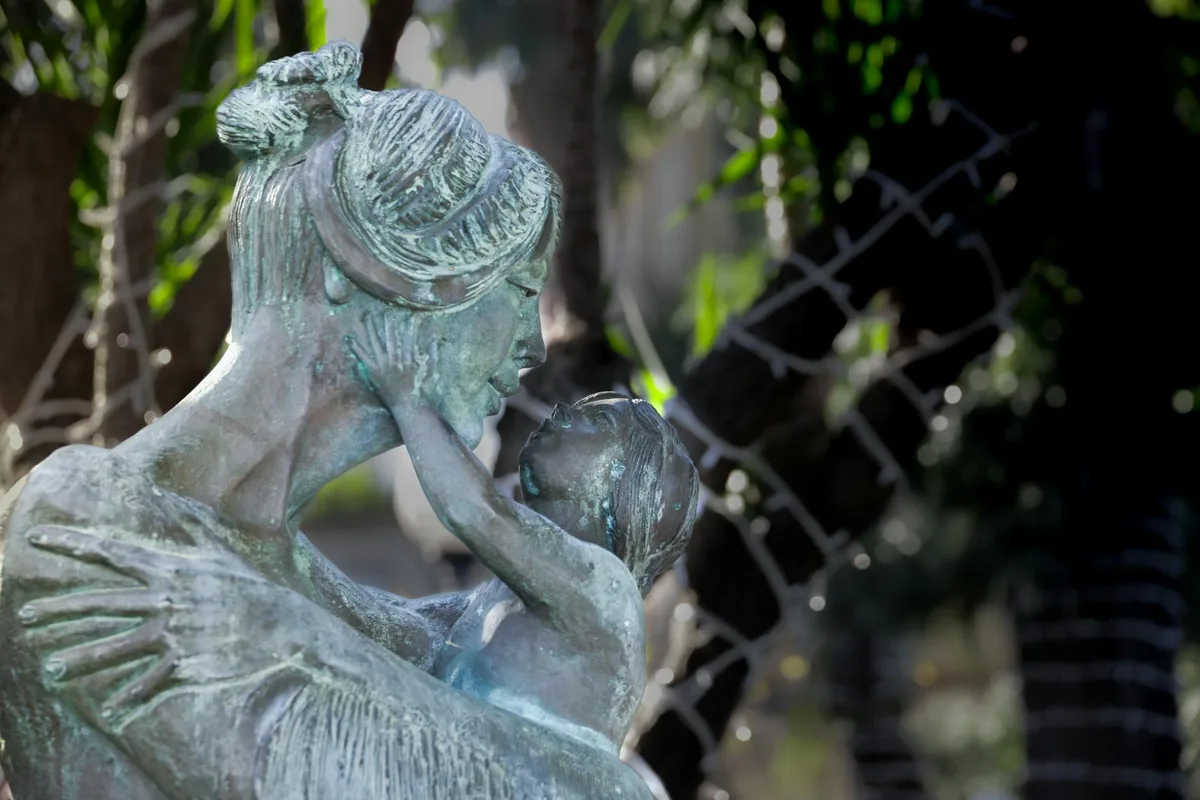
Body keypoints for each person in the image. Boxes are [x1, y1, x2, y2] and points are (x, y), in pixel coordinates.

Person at [0, 42, 654, 799]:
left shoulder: (337, 598)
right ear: (387, 278)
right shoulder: (82, 528)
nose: (534, 345)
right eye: (520, 288)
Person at [348, 319, 700, 754]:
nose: (564, 410)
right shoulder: (502, 596)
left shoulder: (606, 592)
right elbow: (401, 625)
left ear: (625, 484)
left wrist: (406, 395)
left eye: (597, 421)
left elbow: (473, 510)